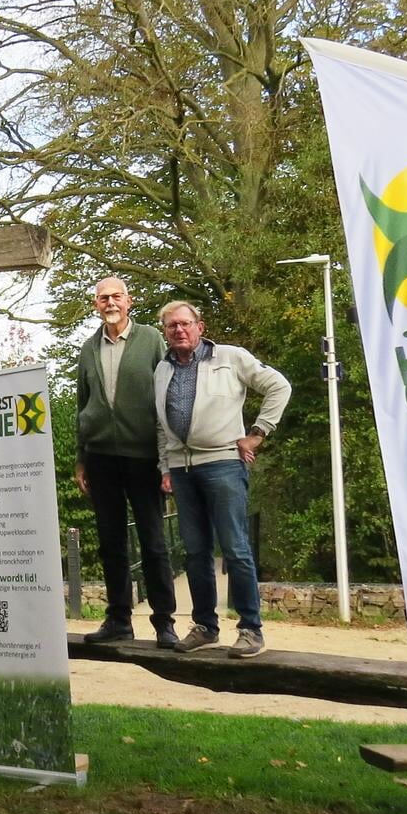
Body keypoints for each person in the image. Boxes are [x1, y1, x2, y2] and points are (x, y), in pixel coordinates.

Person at [153, 301, 291, 658]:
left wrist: (258, 432)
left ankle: (250, 629)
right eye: (171, 326)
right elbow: (160, 424)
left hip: (223, 465)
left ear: (200, 326)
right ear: (165, 332)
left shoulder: (230, 357)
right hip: (182, 471)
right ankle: (204, 627)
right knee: (195, 551)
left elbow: (279, 387)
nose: (179, 330)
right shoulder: (161, 370)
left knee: (235, 549)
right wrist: (166, 467)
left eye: (185, 324)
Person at [73, 277, 179, 647]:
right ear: (95, 305)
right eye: (103, 298)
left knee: (153, 542)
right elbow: (81, 406)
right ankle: (118, 619)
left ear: (129, 300)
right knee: (111, 542)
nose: (110, 302)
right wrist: (80, 459)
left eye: (116, 295)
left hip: (144, 456)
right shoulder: (87, 349)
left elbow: (168, 394)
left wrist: (168, 460)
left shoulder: (151, 339)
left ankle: (164, 622)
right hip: (100, 457)